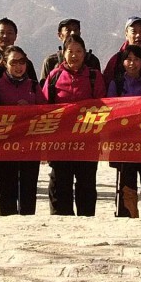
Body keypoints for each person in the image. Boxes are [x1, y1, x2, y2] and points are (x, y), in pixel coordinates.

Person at [43, 34, 106, 216]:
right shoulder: (54, 76)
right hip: (60, 142)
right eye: (70, 51)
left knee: (86, 185)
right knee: (60, 184)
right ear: (63, 53)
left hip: (87, 141)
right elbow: (44, 107)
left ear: (85, 54)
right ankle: (61, 222)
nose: (74, 55)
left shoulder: (94, 77)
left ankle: (86, 221)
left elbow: (104, 106)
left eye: (79, 51)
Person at [106, 44, 141, 218]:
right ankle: (127, 216)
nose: (132, 63)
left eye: (136, 59)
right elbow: (110, 110)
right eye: (128, 59)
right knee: (127, 183)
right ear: (123, 62)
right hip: (124, 142)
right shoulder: (117, 84)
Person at [0, 45, 43, 215]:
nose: (18, 66)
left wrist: (30, 110)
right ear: (5, 63)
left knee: (29, 187)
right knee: (7, 187)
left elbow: (45, 111)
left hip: (30, 145)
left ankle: (28, 222)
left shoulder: (33, 85)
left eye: (22, 62)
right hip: (5, 145)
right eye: (13, 62)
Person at [40, 18, 101, 83]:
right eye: (68, 30)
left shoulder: (92, 61)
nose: (73, 33)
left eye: (75, 30)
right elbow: (43, 87)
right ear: (60, 35)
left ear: (80, 33)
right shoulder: (50, 62)